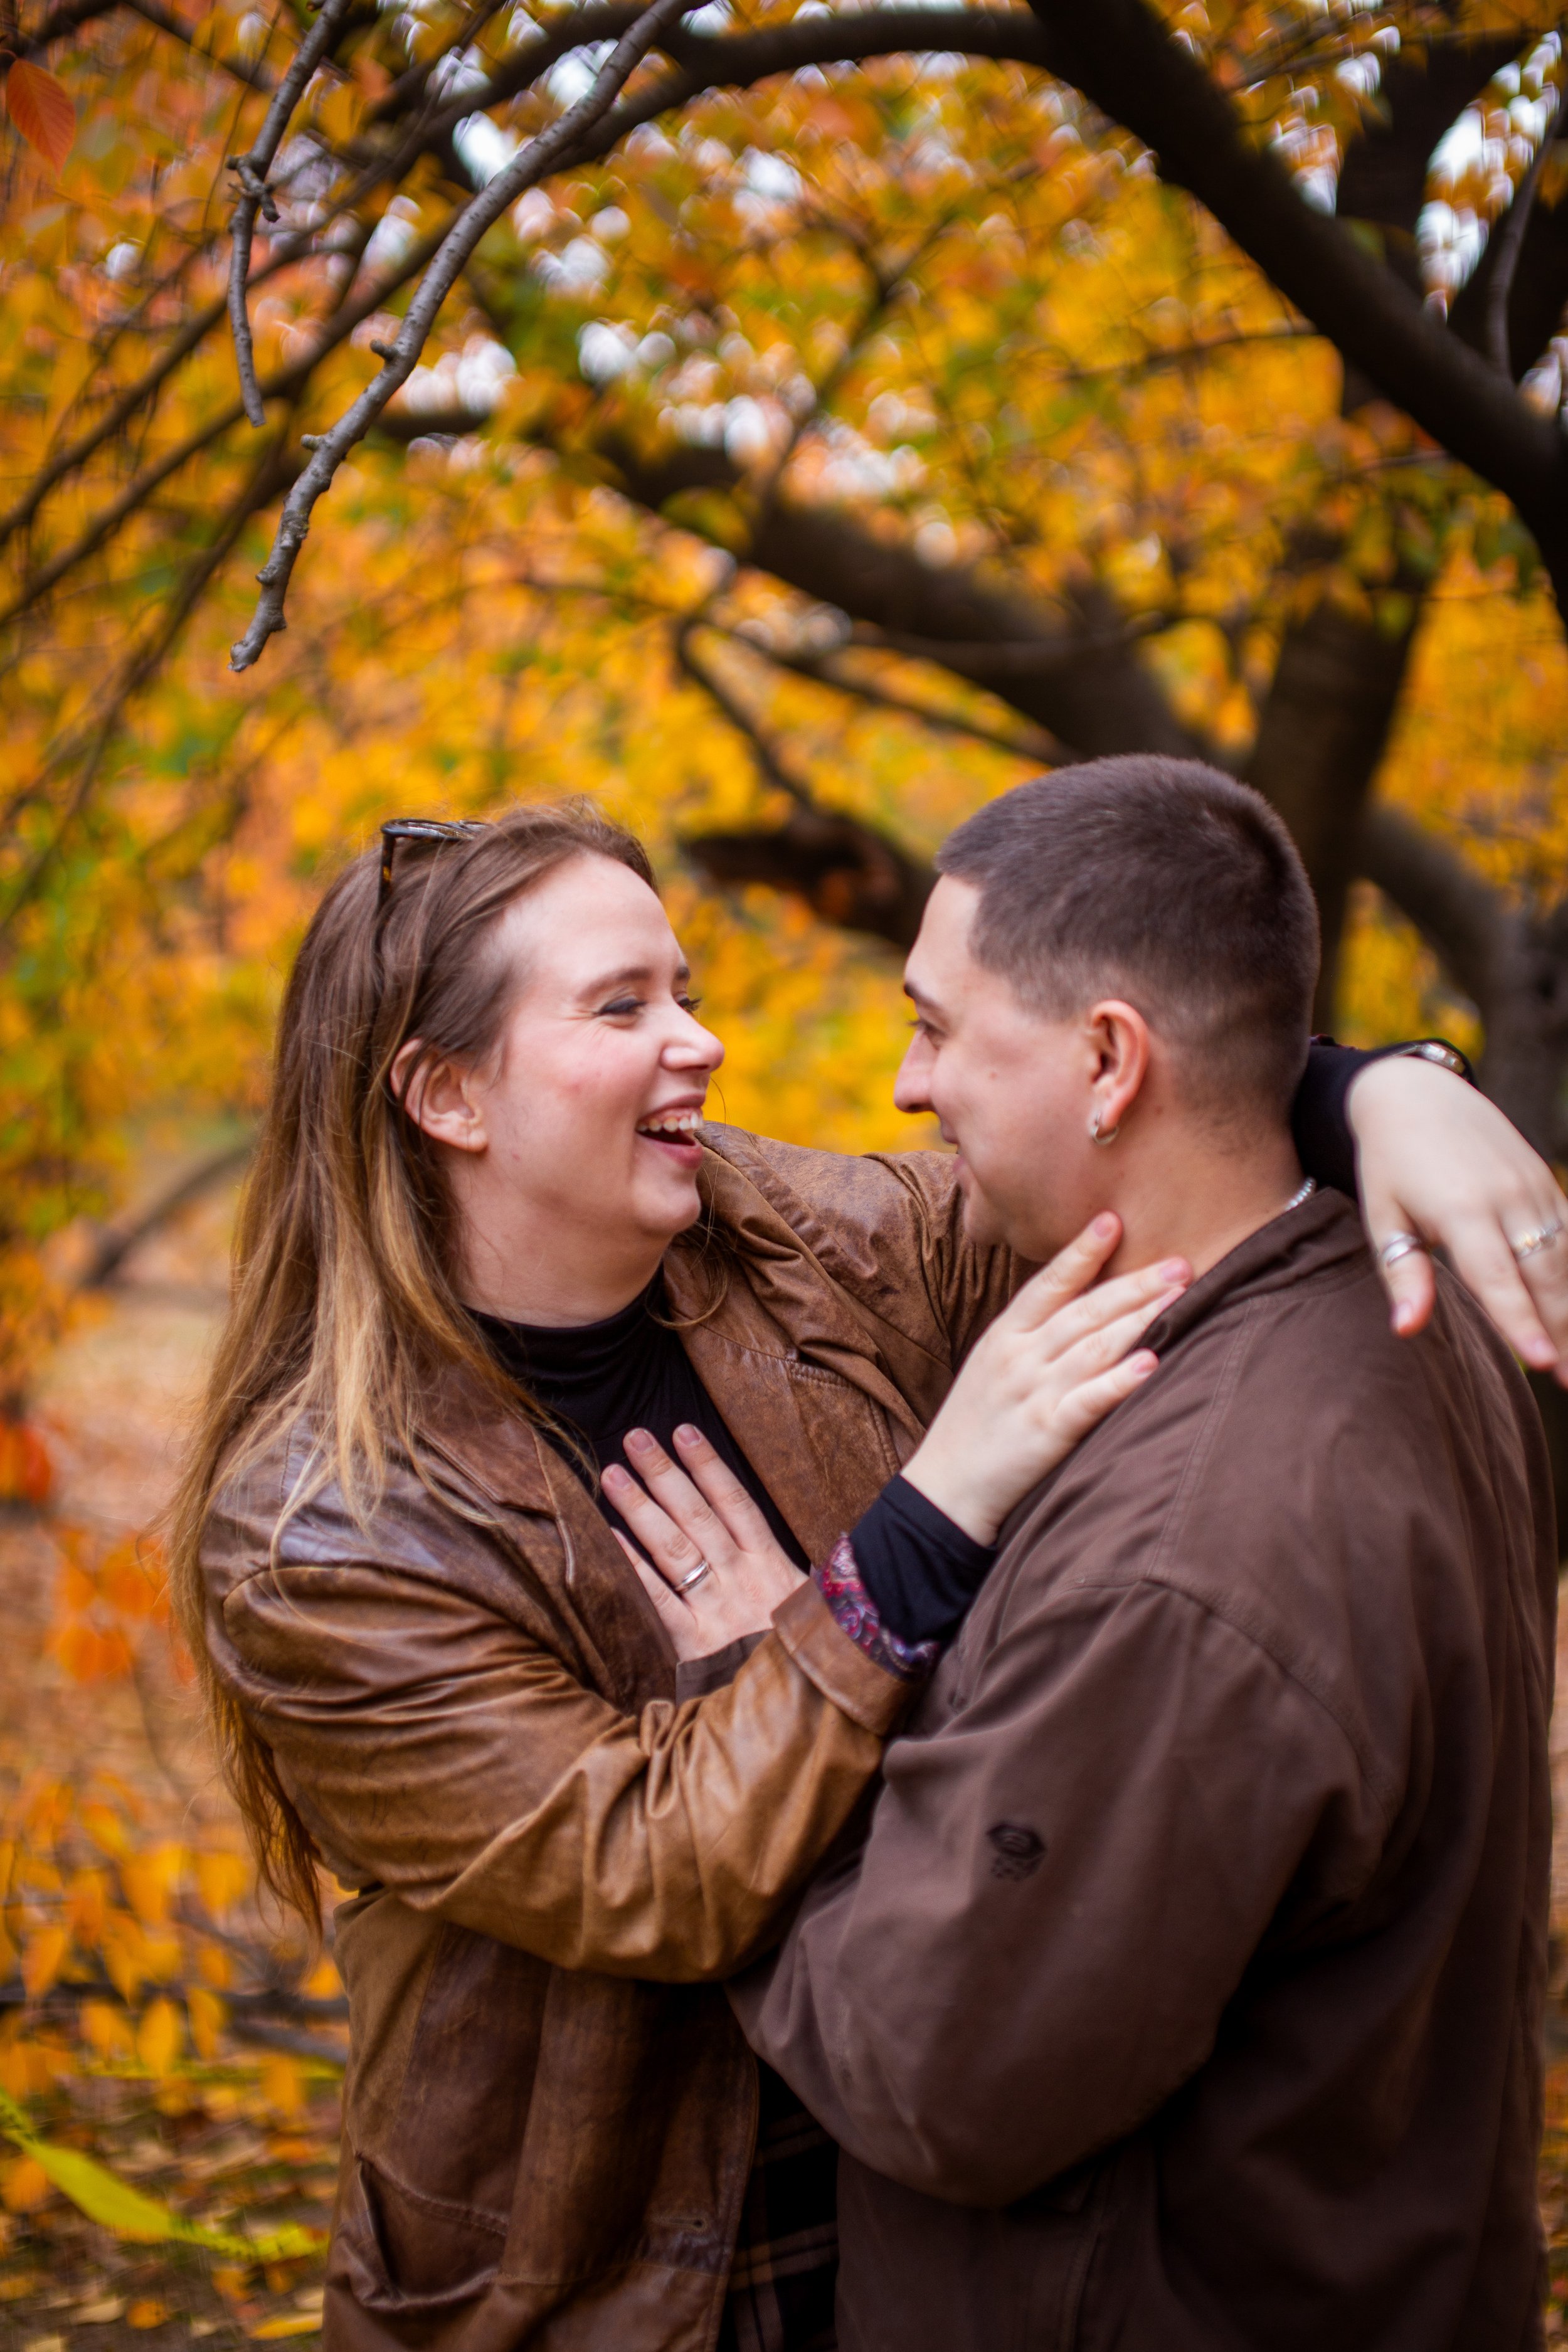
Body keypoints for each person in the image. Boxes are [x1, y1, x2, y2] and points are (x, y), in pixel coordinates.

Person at [168, 798, 1567, 2352]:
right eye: (623, 1007)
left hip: (915, 2217)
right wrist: (908, 1536)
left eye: (683, 987)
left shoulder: (782, 1239)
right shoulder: (322, 1534)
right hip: (607, 2286)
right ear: (444, 1095)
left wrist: (1371, 1089)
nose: (696, 1041)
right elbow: (643, 1868)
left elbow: (1121, 1133)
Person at [723, 758, 1557, 2352]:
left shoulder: (1183, 1571)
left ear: (1109, 1062)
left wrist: (754, 1694)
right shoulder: (1405, 1302)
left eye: (937, 1025)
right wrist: (1369, 1080)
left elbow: (937, 2070)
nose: (906, 1084)